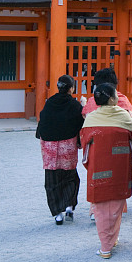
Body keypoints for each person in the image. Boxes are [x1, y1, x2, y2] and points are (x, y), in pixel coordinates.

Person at [80, 83, 132, 259]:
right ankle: (110, 240)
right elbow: (131, 140)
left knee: (101, 207)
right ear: (112, 99)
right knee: (117, 204)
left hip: (99, 167)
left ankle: (106, 245)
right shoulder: (125, 118)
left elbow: (85, 144)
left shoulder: (90, 119)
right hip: (119, 166)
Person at [35, 75, 84, 225]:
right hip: (67, 145)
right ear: (71, 88)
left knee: (52, 179)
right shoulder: (74, 105)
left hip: (50, 146)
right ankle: (69, 206)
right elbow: (80, 122)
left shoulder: (50, 103)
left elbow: (43, 120)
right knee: (69, 176)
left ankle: (57, 214)